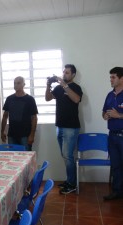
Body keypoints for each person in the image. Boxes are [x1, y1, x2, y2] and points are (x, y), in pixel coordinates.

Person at [45, 64, 83, 195]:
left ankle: (72, 184)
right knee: (65, 155)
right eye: (63, 72)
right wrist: (48, 85)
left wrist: (64, 85)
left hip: (71, 127)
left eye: (67, 73)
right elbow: (48, 98)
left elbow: (77, 99)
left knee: (68, 156)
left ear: (73, 75)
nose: (64, 74)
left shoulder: (75, 87)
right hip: (59, 126)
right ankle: (69, 181)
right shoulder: (58, 88)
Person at [102, 67, 123, 200]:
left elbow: (118, 114)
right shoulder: (110, 95)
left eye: (113, 77)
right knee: (115, 165)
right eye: (110, 77)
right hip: (113, 136)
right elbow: (104, 112)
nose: (111, 79)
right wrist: (105, 115)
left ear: (121, 78)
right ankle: (117, 192)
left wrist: (119, 115)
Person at [1, 76, 38, 151]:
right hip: (12, 134)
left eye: (18, 83)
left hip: (25, 135)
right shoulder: (9, 99)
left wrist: (32, 135)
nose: (16, 85)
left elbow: (34, 118)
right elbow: (5, 116)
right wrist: (2, 131)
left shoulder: (30, 99)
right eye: (14, 83)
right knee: (12, 158)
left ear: (23, 84)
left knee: (26, 157)